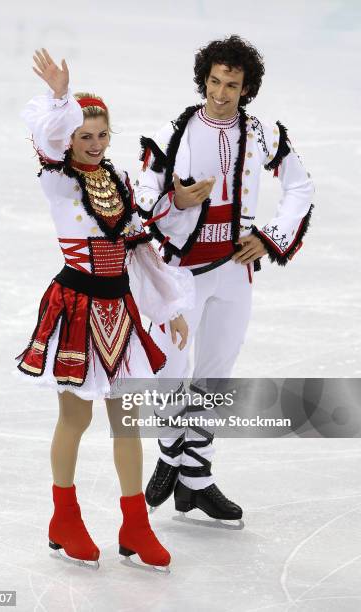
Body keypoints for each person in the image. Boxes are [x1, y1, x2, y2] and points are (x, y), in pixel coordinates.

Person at [17, 48, 194, 569]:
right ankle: (63, 517)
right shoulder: (58, 178)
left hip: (120, 309)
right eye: (83, 136)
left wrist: (172, 307)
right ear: (68, 138)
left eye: (100, 135)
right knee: (76, 417)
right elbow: (46, 139)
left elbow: (139, 246)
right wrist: (60, 98)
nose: (93, 145)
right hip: (76, 306)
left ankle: (135, 525)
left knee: (128, 421)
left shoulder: (113, 181)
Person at [134, 35, 314, 521]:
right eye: (214, 81)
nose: (220, 92)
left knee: (215, 371)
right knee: (169, 369)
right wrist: (178, 201)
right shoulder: (175, 131)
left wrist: (271, 236)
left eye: (231, 84)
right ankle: (172, 452)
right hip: (181, 273)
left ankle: (197, 475)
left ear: (246, 86)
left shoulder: (264, 134)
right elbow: (144, 194)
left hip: (235, 272)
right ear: (203, 79)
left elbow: (300, 187)